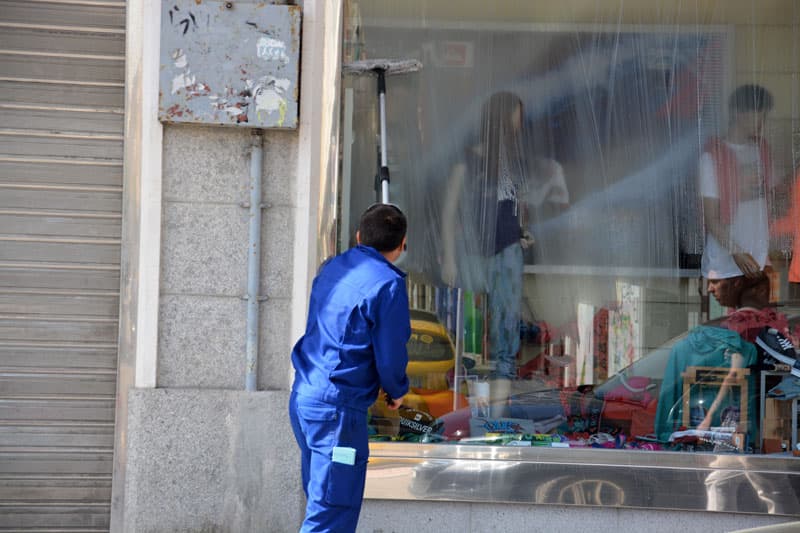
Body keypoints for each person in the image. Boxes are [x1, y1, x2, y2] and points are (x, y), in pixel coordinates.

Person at [289, 203, 411, 533]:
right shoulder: (387, 285)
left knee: (322, 503)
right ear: (402, 245)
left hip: (304, 401)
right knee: (331, 514)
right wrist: (397, 390)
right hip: (337, 416)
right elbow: (390, 354)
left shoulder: (332, 268)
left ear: (359, 236)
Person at [441, 91, 535, 417]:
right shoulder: (469, 159)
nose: (520, 125)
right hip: (475, 255)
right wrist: (450, 257)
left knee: (506, 336)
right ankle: (471, 417)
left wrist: (522, 234)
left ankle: (494, 421)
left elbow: (514, 211)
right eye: (516, 118)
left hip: (508, 252)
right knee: (472, 337)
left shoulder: (514, 163)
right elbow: (450, 211)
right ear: (502, 119)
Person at [699, 84, 775, 282]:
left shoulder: (761, 150)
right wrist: (736, 252)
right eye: (759, 113)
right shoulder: (712, 157)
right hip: (723, 269)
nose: (763, 120)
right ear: (739, 112)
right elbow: (711, 218)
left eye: (765, 114)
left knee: (758, 314)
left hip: (759, 262)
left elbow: (769, 200)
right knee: (725, 315)